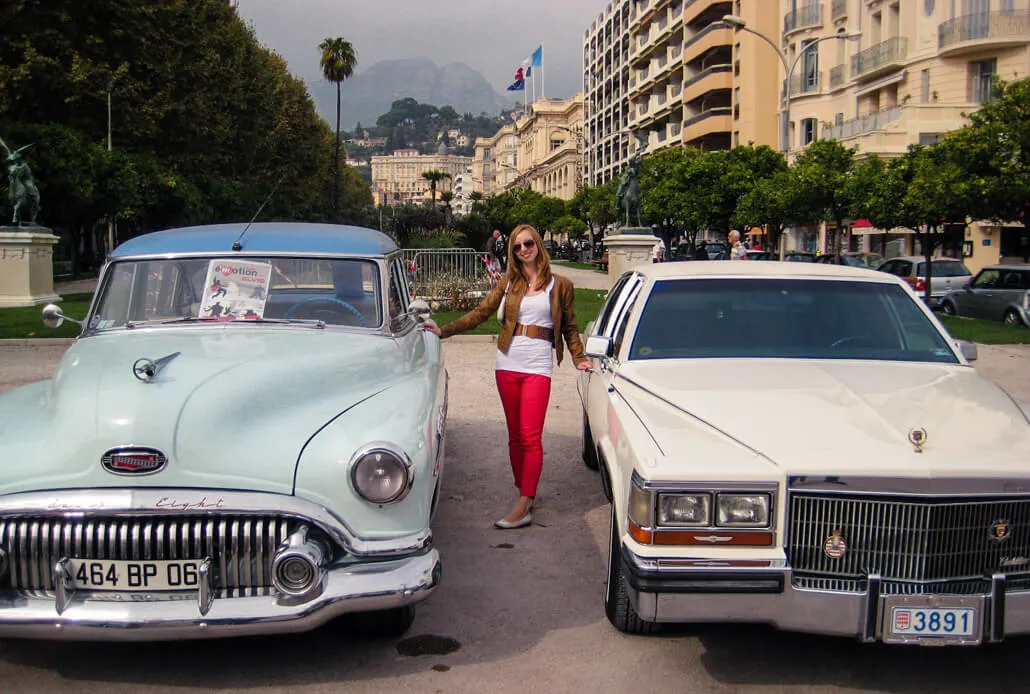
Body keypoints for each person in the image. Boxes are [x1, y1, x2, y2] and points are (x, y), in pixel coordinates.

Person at [424, 224, 591, 529]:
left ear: (538, 244)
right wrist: (443, 330)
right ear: (513, 252)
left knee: (531, 436)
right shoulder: (509, 283)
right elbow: (480, 313)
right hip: (507, 362)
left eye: (528, 243)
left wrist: (579, 358)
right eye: (517, 246)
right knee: (514, 436)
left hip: (538, 365)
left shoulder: (561, 285)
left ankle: (524, 503)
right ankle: (524, 492)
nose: (523, 249)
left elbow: (569, 325)